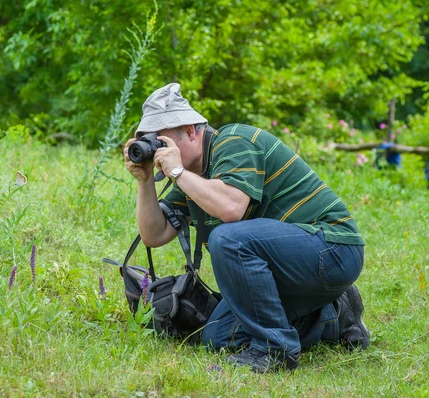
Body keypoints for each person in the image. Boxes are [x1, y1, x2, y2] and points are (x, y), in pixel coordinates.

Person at [123, 83, 369, 373]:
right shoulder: (192, 180)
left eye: (163, 142)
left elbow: (231, 209)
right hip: (294, 271)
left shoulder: (234, 140)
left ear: (190, 131)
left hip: (333, 249)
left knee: (229, 238)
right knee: (217, 336)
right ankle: (334, 314)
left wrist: (176, 172)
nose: (161, 152)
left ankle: (275, 351)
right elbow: (154, 235)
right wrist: (146, 181)